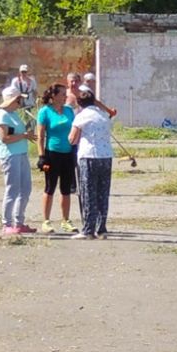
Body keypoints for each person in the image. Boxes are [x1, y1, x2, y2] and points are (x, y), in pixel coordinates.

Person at [71, 79, 116, 239]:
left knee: (88, 192)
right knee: (102, 193)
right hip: (106, 156)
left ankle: (88, 229)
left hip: (89, 156)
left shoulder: (81, 116)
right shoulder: (103, 116)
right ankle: (101, 228)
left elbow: (72, 139)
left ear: (79, 103)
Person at [35, 82, 78, 233]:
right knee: (50, 187)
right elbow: (40, 136)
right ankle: (46, 221)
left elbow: (76, 129)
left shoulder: (69, 111)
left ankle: (65, 220)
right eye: (62, 94)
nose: (65, 97)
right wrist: (41, 156)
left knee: (66, 189)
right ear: (53, 96)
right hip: (52, 154)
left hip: (68, 153)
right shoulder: (45, 112)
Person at [0, 84, 34, 235]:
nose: (20, 103)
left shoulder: (14, 115)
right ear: (12, 100)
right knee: (12, 189)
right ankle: (7, 224)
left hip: (21, 153)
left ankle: (19, 222)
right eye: (18, 100)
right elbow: (4, 138)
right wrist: (24, 136)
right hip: (10, 156)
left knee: (25, 188)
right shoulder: (2, 115)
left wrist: (26, 134)